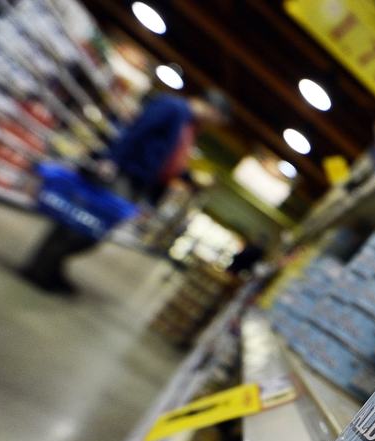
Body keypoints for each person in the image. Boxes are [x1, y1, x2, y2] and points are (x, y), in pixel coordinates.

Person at [19, 90, 230, 294]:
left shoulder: (189, 124)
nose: (214, 124)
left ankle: (50, 267)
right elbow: (138, 129)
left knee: (87, 224)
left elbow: (166, 157)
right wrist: (112, 159)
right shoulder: (173, 107)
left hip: (136, 181)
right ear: (213, 110)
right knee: (85, 223)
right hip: (125, 174)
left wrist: (188, 178)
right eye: (218, 119)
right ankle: (41, 268)